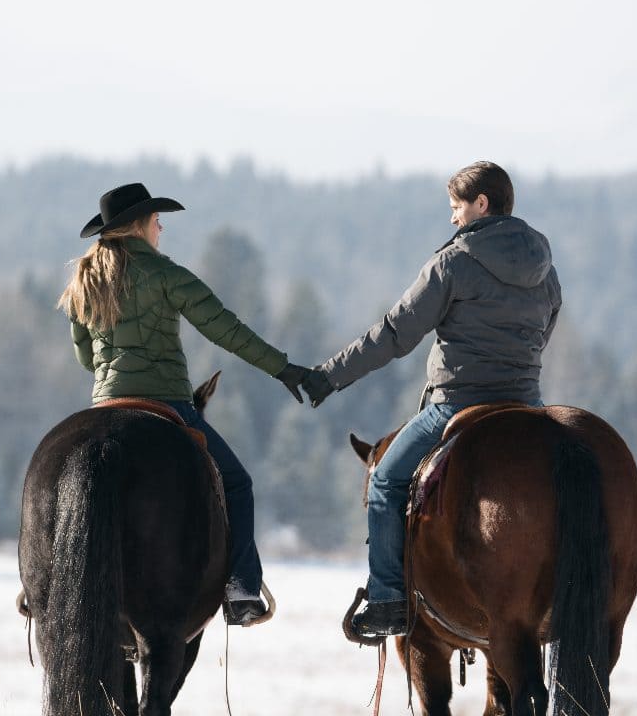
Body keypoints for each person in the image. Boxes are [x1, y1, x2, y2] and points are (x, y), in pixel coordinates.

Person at [301, 161, 562, 637]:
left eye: (456, 206)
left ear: (481, 203)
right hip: (527, 404)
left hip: (457, 404)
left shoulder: (453, 263)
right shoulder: (545, 269)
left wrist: (330, 376)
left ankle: (387, 599)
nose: (452, 217)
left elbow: (394, 333)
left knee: (384, 481)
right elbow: (544, 331)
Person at [59, 183, 310, 626]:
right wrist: (282, 368)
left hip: (105, 403)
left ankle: (45, 584)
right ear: (138, 226)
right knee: (237, 484)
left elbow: (85, 359)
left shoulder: (84, 281)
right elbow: (226, 329)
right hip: (168, 402)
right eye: (157, 220)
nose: (161, 228)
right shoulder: (165, 274)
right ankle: (241, 588)